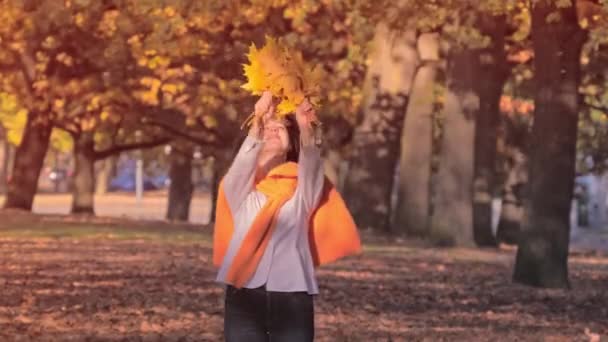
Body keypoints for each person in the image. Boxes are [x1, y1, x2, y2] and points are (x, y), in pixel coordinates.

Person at [212, 91, 361, 341]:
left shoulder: (303, 190)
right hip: (244, 293)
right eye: (268, 128)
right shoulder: (240, 190)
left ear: (290, 143)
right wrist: (258, 122)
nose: (273, 130)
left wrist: (305, 128)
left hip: (293, 292)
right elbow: (240, 169)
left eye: (279, 127)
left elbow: (312, 166)